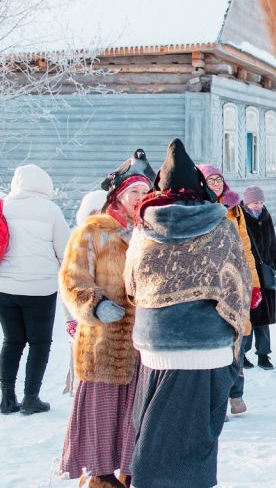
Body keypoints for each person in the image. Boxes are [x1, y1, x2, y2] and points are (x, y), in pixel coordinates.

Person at [124, 139, 250, 487]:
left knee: (151, 435)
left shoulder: (144, 228)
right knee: (198, 441)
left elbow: (130, 283)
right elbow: (238, 284)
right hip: (207, 347)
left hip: (156, 344)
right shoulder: (221, 226)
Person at [59, 150, 154, 487]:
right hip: (103, 343)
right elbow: (73, 279)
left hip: (144, 343)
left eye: (146, 193)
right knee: (102, 414)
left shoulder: (151, 232)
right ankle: (100, 476)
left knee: (135, 416)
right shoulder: (92, 232)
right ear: (117, 196)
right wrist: (95, 304)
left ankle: (131, 473)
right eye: (134, 193)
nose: (140, 199)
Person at [0, 164, 69, 415]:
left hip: (5, 288)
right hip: (40, 288)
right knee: (39, 343)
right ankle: (31, 398)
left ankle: (7, 398)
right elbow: (66, 252)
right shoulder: (51, 210)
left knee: (12, 340)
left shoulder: (4, 206)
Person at [198, 164, 261, 414]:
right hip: (209, 284)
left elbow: (245, 246)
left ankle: (236, 394)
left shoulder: (234, 207)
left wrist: (254, 284)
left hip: (235, 281)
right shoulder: (198, 207)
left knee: (236, 339)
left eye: (218, 179)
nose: (215, 184)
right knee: (215, 342)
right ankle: (218, 401)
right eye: (210, 180)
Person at [63, 189, 109, 397]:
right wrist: (71, 319)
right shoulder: (77, 242)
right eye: (95, 212)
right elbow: (69, 285)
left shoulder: (119, 239)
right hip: (85, 315)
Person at [242, 185, 276, 371]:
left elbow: (273, 245)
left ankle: (263, 355)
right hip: (248, 276)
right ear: (246, 202)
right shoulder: (240, 219)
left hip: (266, 275)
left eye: (260, 202)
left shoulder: (266, 218)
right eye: (254, 202)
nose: (258, 206)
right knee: (247, 318)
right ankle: (242, 354)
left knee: (264, 318)